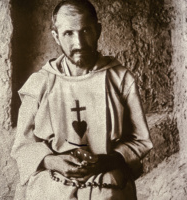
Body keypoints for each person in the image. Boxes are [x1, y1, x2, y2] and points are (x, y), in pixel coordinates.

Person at [11, 0, 153, 199]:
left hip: (106, 178)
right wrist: (52, 161)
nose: (78, 43)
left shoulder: (120, 79)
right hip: (53, 178)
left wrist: (107, 161)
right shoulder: (39, 83)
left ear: (98, 31)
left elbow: (140, 140)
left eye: (85, 31)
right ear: (56, 36)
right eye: (68, 33)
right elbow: (22, 146)